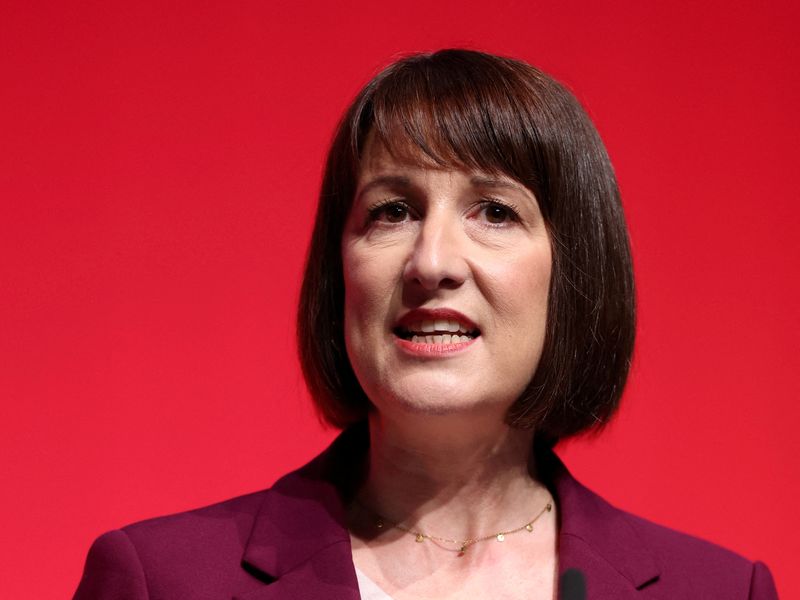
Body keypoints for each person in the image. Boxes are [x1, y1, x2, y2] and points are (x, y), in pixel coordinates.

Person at [73, 49, 779, 599]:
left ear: (574, 273)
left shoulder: (719, 590)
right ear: (339, 270)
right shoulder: (159, 581)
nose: (431, 261)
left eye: (494, 212)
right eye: (392, 211)